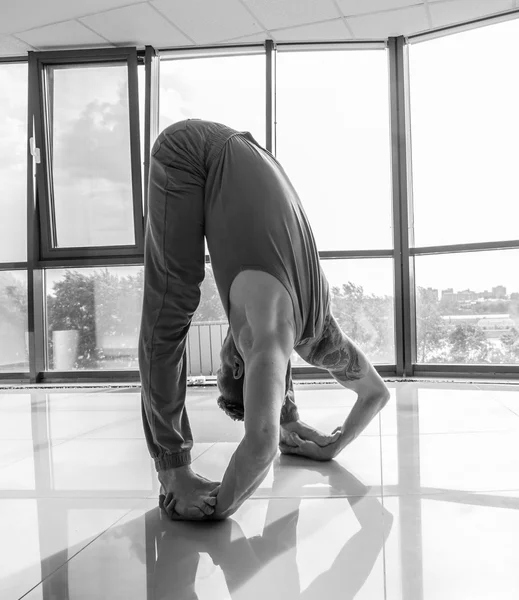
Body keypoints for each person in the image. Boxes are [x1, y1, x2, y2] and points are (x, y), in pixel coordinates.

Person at [138, 119, 390, 522]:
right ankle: (174, 468)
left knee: (175, 305)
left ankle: (173, 468)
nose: (226, 352)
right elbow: (262, 443)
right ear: (240, 364)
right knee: (172, 308)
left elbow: (372, 395)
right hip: (220, 153)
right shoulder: (277, 336)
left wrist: (333, 443)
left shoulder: (317, 335)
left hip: (235, 156)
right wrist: (216, 506)